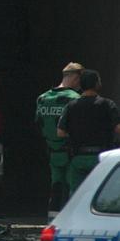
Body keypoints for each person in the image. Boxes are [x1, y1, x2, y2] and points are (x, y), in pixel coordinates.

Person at [57, 69, 120, 195]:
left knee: (77, 196)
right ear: (97, 84)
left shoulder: (71, 106)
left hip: (78, 159)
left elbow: (60, 132)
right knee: (102, 195)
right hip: (102, 158)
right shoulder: (108, 104)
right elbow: (118, 128)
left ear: (80, 85)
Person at [35, 62, 83, 217]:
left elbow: (38, 124)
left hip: (53, 152)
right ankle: (71, 222)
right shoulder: (75, 99)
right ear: (76, 78)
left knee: (56, 187)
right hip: (71, 153)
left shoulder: (42, 98)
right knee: (72, 188)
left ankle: (52, 222)